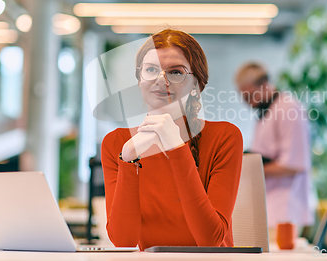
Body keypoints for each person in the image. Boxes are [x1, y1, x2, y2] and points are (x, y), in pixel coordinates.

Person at [101, 29, 243, 250]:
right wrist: (128, 158)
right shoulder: (117, 143)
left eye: (176, 72)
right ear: (139, 79)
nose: (161, 80)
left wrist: (176, 147)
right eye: (151, 70)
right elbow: (123, 240)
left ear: (196, 85)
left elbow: (210, 240)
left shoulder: (224, 137)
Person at [234, 62, 314, 232]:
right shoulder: (266, 111)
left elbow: (295, 164)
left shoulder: (288, 109)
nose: (248, 103)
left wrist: (250, 167)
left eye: (249, 96)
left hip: (286, 209)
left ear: (264, 85)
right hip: (270, 206)